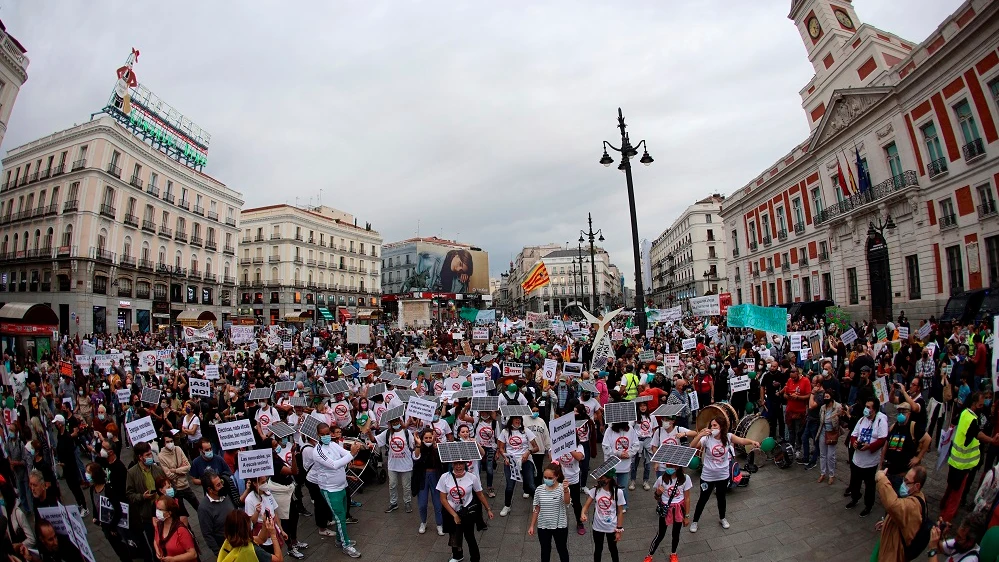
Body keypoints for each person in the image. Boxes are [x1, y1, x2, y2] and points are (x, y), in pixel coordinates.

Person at [689, 416, 758, 532]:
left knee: (721, 498)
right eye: (711, 425)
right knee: (703, 498)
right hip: (708, 475)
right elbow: (692, 446)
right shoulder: (706, 439)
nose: (712, 428)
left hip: (723, 475)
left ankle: (722, 518)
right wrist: (700, 435)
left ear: (721, 426)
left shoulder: (728, 437)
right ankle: (695, 521)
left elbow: (741, 440)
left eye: (715, 425)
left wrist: (752, 442)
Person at [310, 422, 363, 558]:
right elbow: (334, 465)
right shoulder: (317, 452)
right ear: (318, 435)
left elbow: (346, 454)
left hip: (342, 486)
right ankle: (346, 545)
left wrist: (354, 450)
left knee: (343, 515)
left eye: (328, 433)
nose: (326, 436)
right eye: (323, 435)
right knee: (339, 518)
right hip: (330, 489)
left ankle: (340, 540)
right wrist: (351, 454)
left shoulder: (333, 445)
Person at [941, 392, 994, 522]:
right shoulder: (973, 420)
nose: (983, 406)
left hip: (955, 460)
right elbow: (978, 435)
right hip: (962, 464)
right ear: (974, 403)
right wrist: (992, 441)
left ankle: (942, 510)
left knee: (950, 490)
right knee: (955, 498)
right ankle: (943, 523)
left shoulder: (965, 413)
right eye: (981, 403)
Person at [438, 452, 494, 562]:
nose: (458, 466)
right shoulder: (444, 477)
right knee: (454, 535)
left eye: (461, 463)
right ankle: (457, 555)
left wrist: (488, 509)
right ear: (452, 465)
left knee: (470, 536)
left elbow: (480, 494)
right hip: (451, 511)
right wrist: (454, 515)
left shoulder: (472, 478)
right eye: (456, 464)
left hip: (467, 512)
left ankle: (475, 558)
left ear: (465, 464)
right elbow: (443, 499)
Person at [873, 466, 927, 562]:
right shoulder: (914, 495)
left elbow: (893, 505)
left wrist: (881, 479)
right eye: (904, 479)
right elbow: (902, 516)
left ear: (917, 486)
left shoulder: (913, 505)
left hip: (894, 553)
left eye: (907, 482)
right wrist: (887, 522)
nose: (903, 484)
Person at [125, 441, 167, 562]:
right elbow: (129, 494)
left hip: (163, 512)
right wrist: (142, 497)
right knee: (155, 545)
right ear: (140, 457)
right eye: (148, 455)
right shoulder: (132, 473)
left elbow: (166, 484)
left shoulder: (157, 469)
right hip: (148, 516)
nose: (150, 457)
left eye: (150, 454)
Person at [847, 397, 889, 517]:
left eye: (868, 407)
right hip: (857, 459)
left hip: (870, 461)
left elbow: (882, 440)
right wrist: (855, 442)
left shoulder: (881, 421)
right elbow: (854, 434)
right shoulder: (862, 420)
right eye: (865, 406)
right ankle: (855, 498)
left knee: (869, 485)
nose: (866, 409)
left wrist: (869, 446)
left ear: (874, 409)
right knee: (855, 482)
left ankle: (868, 505)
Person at [880, 401, 930, 492]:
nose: (901, 414)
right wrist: (881, 465)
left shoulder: (913, 427)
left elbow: (928, 439)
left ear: (909, 414)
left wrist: (918, 458)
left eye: (904, 412)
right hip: (890, 470)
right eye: (899, 412)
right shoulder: (893, 427)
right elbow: (885, 446)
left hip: (902, 474)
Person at [646, 464, 692, 562]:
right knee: (660, 534)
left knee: (676, 533)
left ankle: (673, 553)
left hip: (679, 509)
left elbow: (687, 498)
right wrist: (657, 493)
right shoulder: (661, 479)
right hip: (665, 509)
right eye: (667, 465)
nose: (669, 467)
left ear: (677, 467)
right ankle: (650, 555)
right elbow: (656, 498)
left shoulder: (685, 478)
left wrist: (687, 516)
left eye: (671, 465)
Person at [497, 414, 539, 516]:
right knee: (510, 486)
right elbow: (501, 448)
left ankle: (537, 505)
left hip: (526, 460)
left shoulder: (526, 431)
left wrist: (528, 452)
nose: (518, 421)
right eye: (515, 419)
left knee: (531, 485)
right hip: (511, 462)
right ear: (511, 420)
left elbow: (536, 447)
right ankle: (507, 506)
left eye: (519, 419)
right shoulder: (505, 432)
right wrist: (505, 457)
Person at [581, 469, 626, 562]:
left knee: (613, 549)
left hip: (612, 527)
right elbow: (586, 506)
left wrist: (619, 530)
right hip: (597, 527)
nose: (599, 480)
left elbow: (620, 512)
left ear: (609, 479)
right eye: (599, 477)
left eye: (602, 478)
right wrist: (583, 513)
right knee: (598, 549)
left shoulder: (618, 492)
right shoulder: (595, 490)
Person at [374, 413, 415, 514]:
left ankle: (407, 502)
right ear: (390, 424)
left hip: (406, 465)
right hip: (392, 465)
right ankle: (393, 503)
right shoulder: (387, 433)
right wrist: (368, 433)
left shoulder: (407, 432)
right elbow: (374, 440)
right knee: (392, 485)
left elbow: (413, 446)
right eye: (393, 422)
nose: (396, 424)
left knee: (406, 486)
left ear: (400, 422)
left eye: (397, 421)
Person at [528, 464, 570, 562]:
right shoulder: (539, 490)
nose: (547, 480)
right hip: (543, 525)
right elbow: (536, 508)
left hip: (559, 526)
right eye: (545, 477)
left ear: (557, 476)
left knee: (562, 550)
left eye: (550, 478)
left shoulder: (562, 489)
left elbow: (567, 502)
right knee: (545, 551)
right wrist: (532, 525)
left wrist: (566, 490)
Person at [217, 509, 284, 562]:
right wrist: (273, 535)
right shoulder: (253, 551)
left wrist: (264, 523)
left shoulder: (229, 541)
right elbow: (279, 559)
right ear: (246, 527)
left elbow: (261, 539)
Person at [413, 426, 445, 536]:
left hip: (435, 476)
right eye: (426, 438)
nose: (428, 440)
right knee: (422, 504)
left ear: (433, 438)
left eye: (430, 437)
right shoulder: (419, 447)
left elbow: (443, 461)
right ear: (422, 439)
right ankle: (423, 522)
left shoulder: (437, 448)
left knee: (438, 504)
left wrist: (437, 448)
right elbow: (416, 457)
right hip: (422, 477)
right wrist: (418, 444)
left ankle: (439, 524)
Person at [158, 432, 200, 515]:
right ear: (163, 443)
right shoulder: (161, 456)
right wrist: (181, 470)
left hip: (186, 485)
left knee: (199, 508)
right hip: (175, 488)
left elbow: (188, 466)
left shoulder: (178, 449)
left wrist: (175, 470)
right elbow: (169, 475)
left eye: (171, 441)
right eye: (167, 442)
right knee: (182, 514)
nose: (170, 443)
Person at [197, 468, 234, 556]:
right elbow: (207, 534)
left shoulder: (225, 495)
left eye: (221, 482)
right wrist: (219, 553)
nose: (222, 486)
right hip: (225, 549)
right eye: (218, 485)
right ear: (210, 490)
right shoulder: (204, 509)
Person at [602, 420, 638, 508]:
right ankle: (611, 505)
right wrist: (617, 453)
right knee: (610, 487)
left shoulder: (631, 430)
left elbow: (636, 444)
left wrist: (629, 453)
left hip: (625, 465)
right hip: (611, 465)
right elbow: (605, 447)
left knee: (623, 487)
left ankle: (623, 506)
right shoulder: (609, 430)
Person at [152, 497, 198, 562]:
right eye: (157, 508)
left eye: (160, 509)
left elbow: (193, 554)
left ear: (169, 513)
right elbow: (156, 539)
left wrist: (173, 559)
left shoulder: (180, 530)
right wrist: (157, 550)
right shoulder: (159, 525)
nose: (157, 512)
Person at [816, 389, 843, 485]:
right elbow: (820, 419)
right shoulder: (823, 407)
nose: (825, 398)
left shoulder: (838, 407)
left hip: (832, 432)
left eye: (827, 397)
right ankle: (823, 473)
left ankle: (831, 474)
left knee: (830, 455)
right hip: (823, 431)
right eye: (825, 397)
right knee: (823, 454)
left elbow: (842, 418)